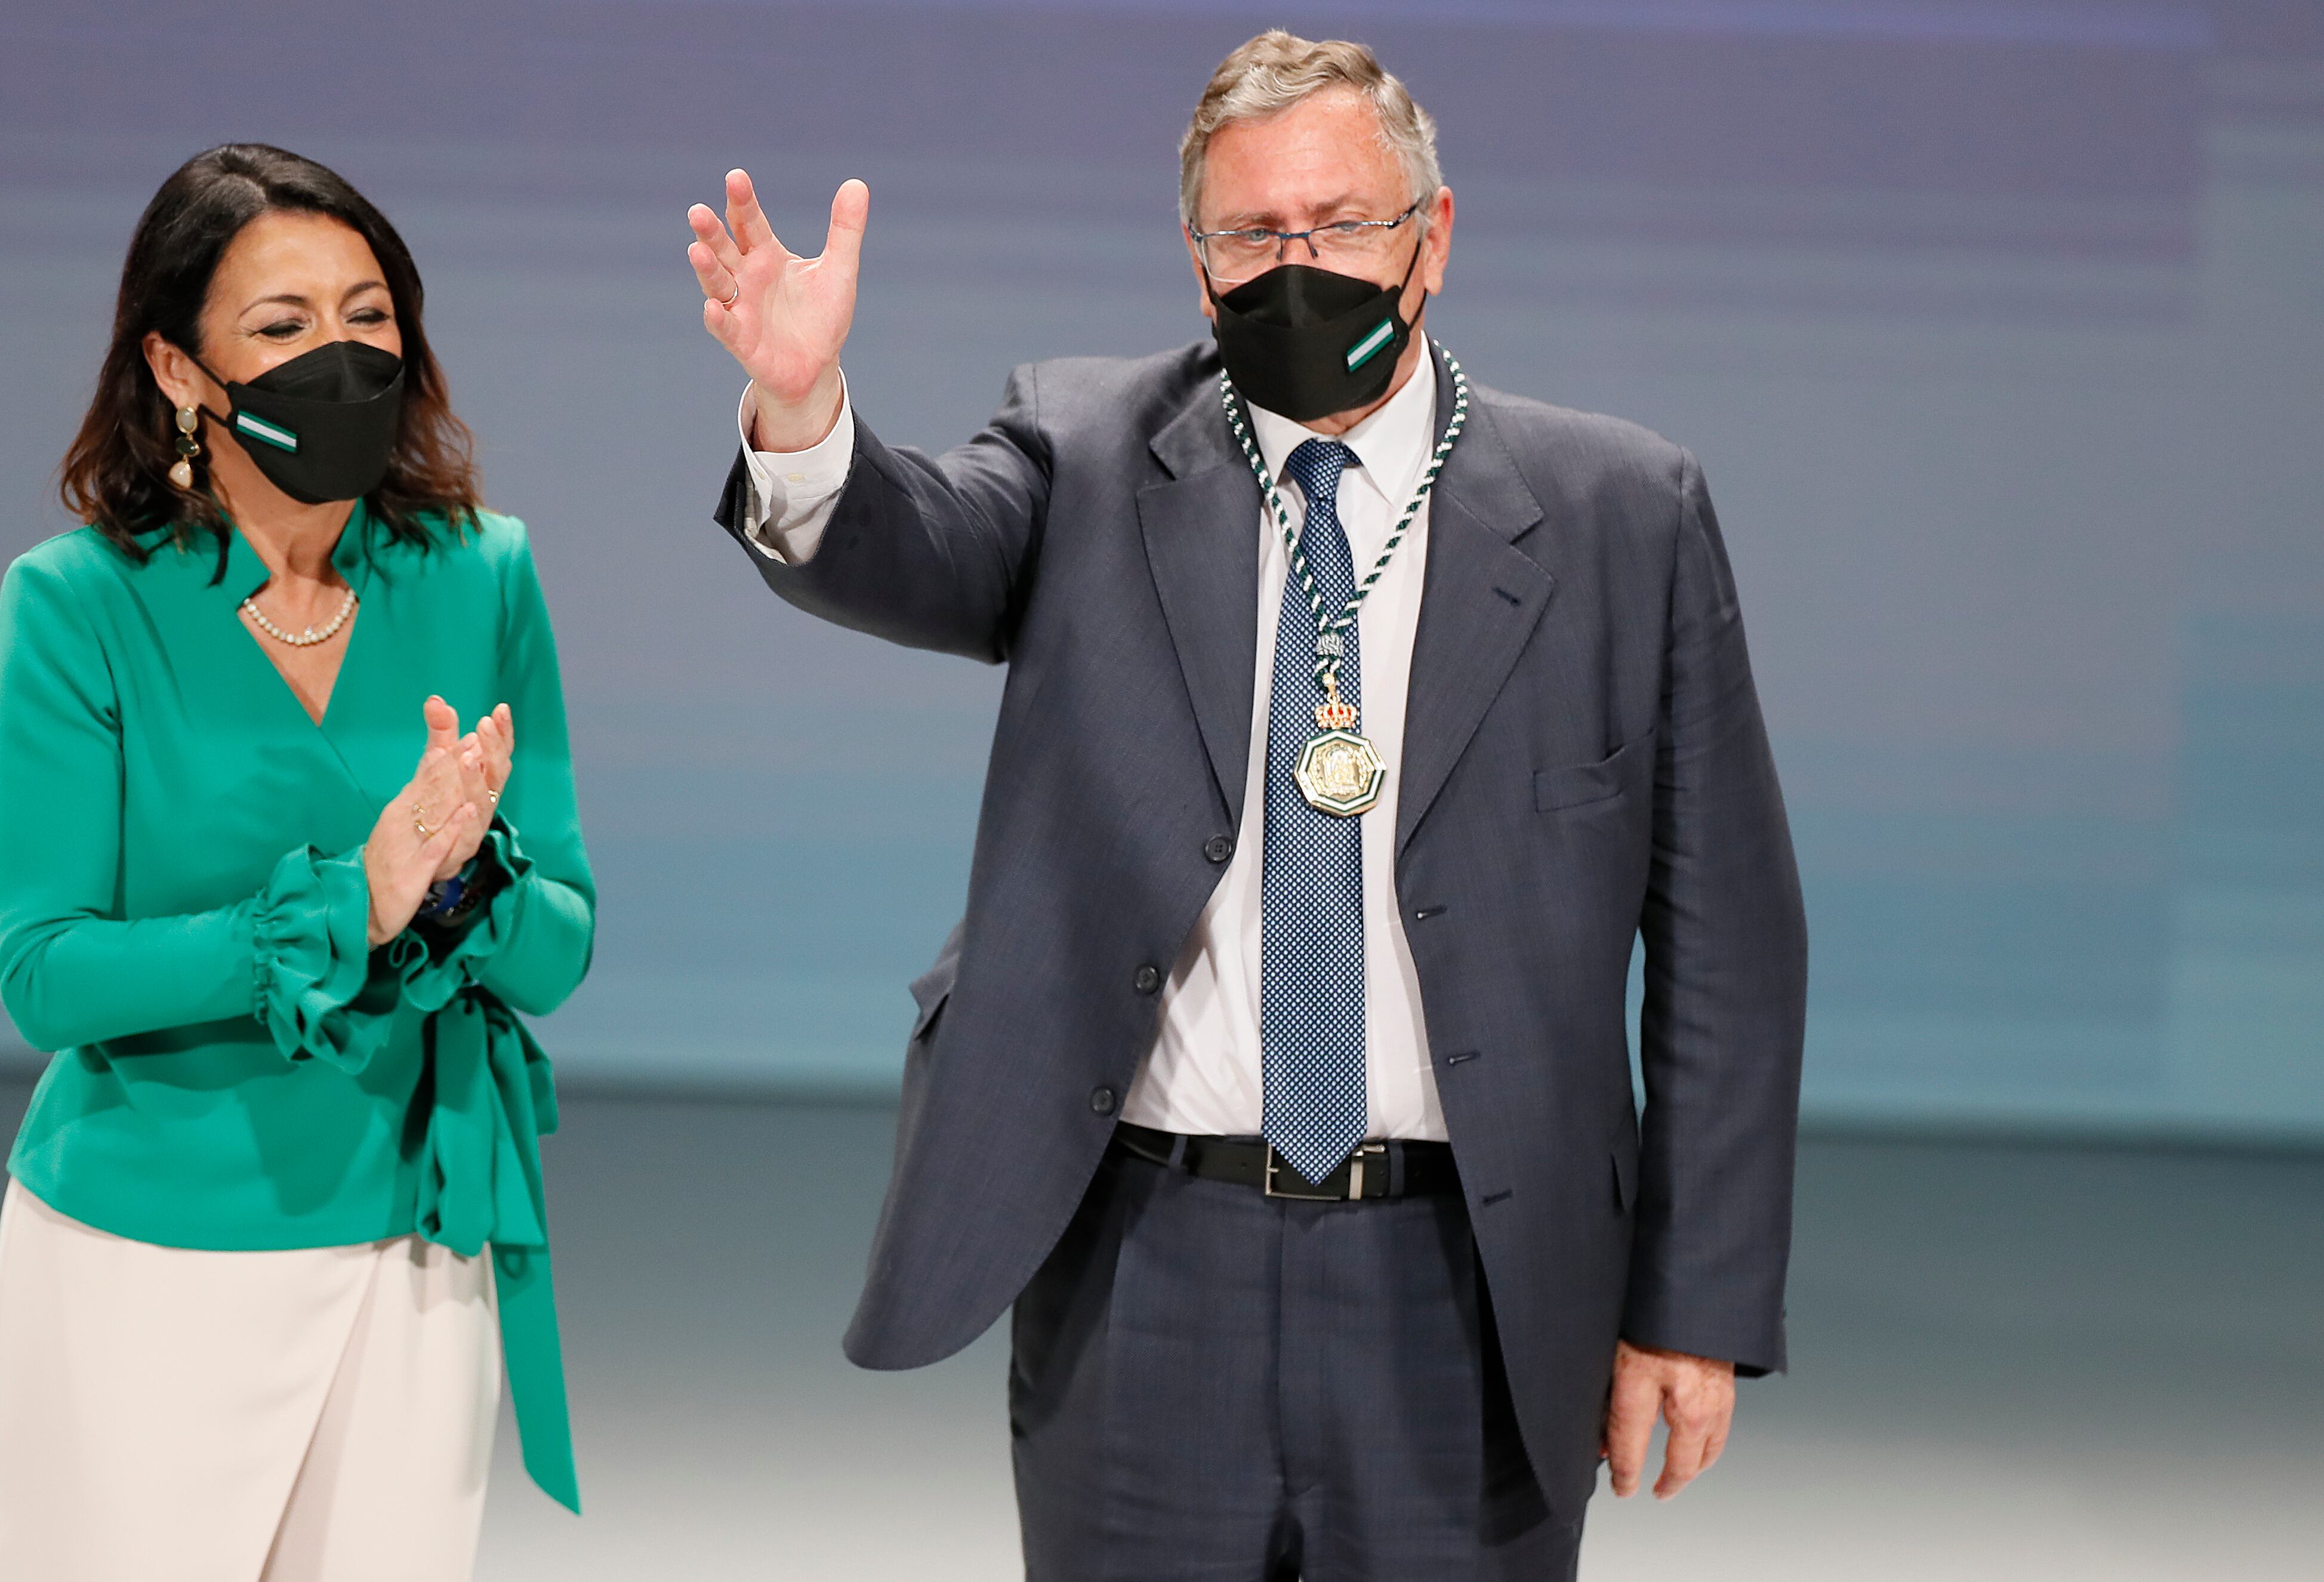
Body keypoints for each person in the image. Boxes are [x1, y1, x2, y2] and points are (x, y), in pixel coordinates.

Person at [685, 29, 1805, 1580]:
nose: (1299, 266)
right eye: (1249, 234)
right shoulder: (1083, 449)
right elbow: (915, 544)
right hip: (1149, 1264)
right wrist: (803, 416)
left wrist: (1690, 1300)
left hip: (1469, 1275)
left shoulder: (1623, 512)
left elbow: (1725, 943)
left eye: (1341, 224)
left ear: (1433, 233)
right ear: (1192, 261)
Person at [0, 143, 593, 1581]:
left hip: (415, 1249)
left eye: (369, 314)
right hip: (148, 1255)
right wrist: (348, 902)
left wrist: (461, 885)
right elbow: (44, 972)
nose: (342, 353)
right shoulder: (76, 606)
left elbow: (558, 943)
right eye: (282, 326)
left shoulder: (481, 571)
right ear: (180, 372)